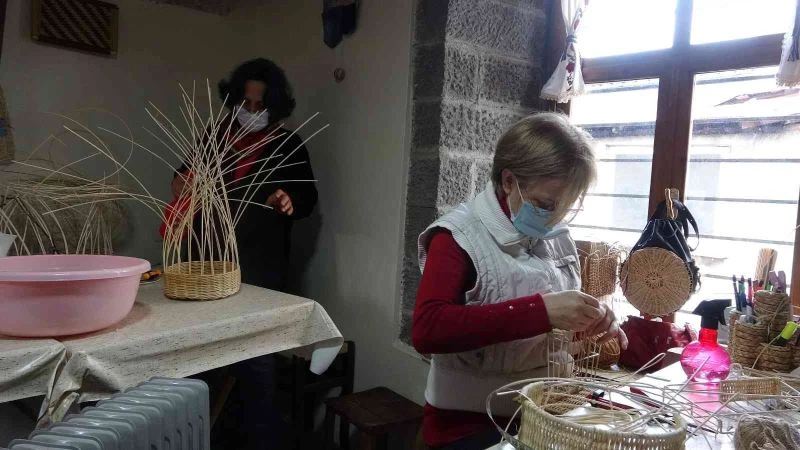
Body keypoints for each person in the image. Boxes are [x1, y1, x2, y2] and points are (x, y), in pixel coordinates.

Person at [412, 113, 628, 450]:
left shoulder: (556, 235)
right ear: (509, 180)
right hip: (467, 425)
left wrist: (588, 319)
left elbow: (548, 325)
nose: (555, 217)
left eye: (566, 206)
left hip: (542, 411)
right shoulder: (456, 237)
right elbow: (427, 330)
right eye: (546, 204)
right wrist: (542, 312)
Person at [169, 58, 318, 450]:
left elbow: (306, 196)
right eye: (244, 103)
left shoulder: (287, 144)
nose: (251, 112)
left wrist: (288, 199)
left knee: (255, 358)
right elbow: (183, 177)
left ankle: (257, 439)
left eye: (259, 105)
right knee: (201, 352)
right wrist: (182, 182)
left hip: (259, 266)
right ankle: (204, 432)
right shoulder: (215, 136)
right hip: (207, 259)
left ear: (274, 106)